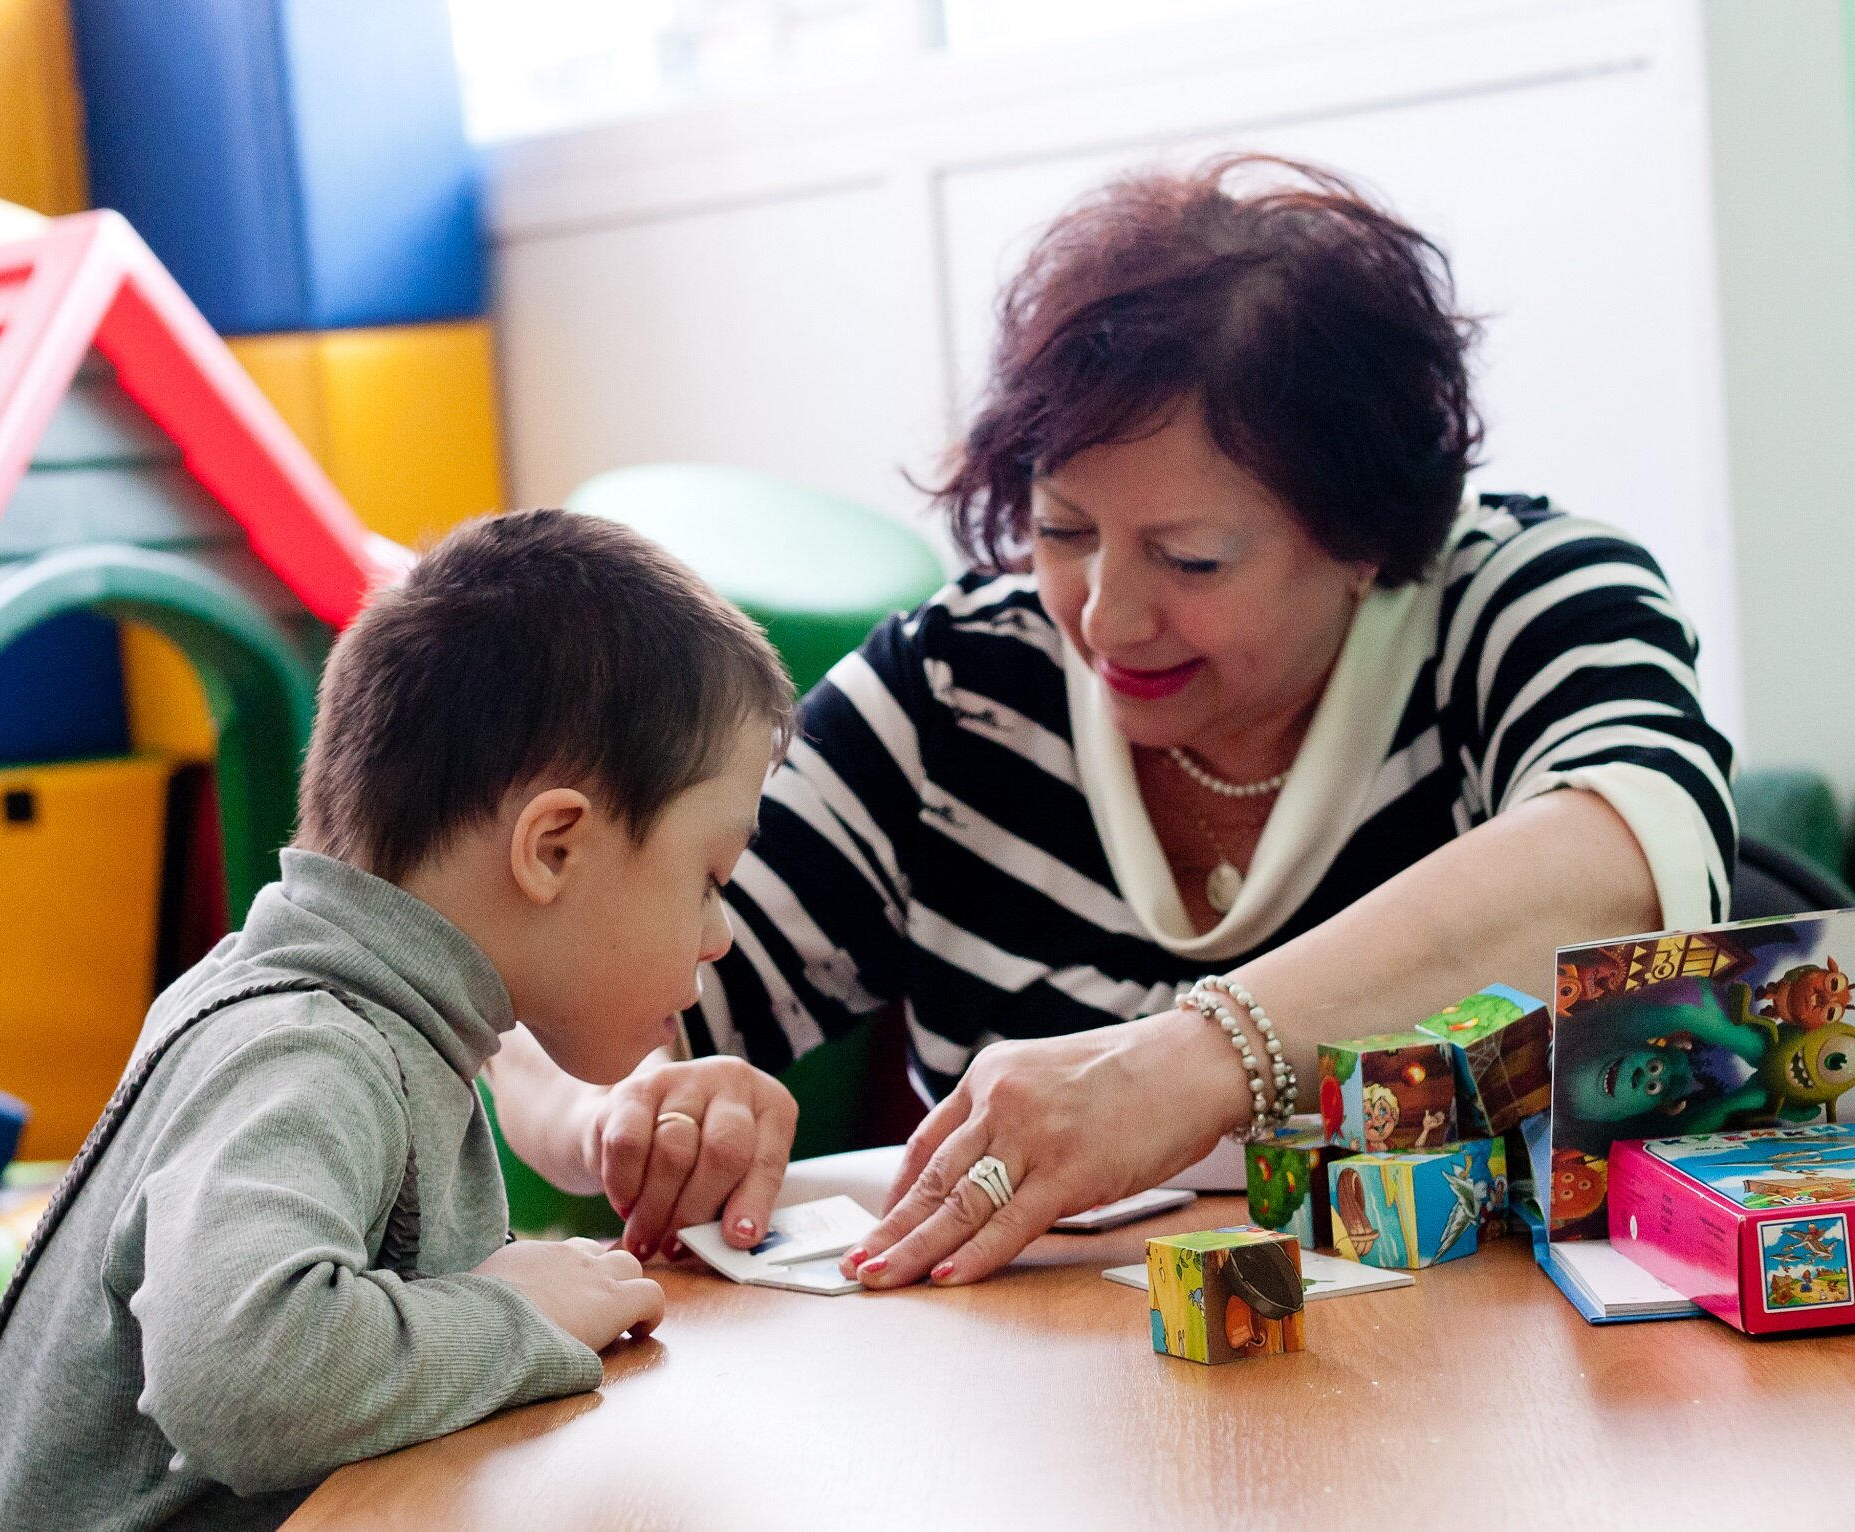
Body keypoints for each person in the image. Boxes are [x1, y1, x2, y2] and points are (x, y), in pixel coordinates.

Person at [485, 155, 1734, 1290]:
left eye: (1189, 559)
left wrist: (1179, 1070)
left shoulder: (1520, 598)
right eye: (1062, 529)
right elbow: (530, 996)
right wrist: (623, 1119)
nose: (1106, 616)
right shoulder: (955, 689)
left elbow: (1628, 861)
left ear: (1362, 541)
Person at [0, 510, 796, 1531]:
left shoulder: (356, 1009)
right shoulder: (306, 1045)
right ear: (552, 847)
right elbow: (239, 1376)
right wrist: (517, 1311)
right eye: (709, 878)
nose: (719, 934)